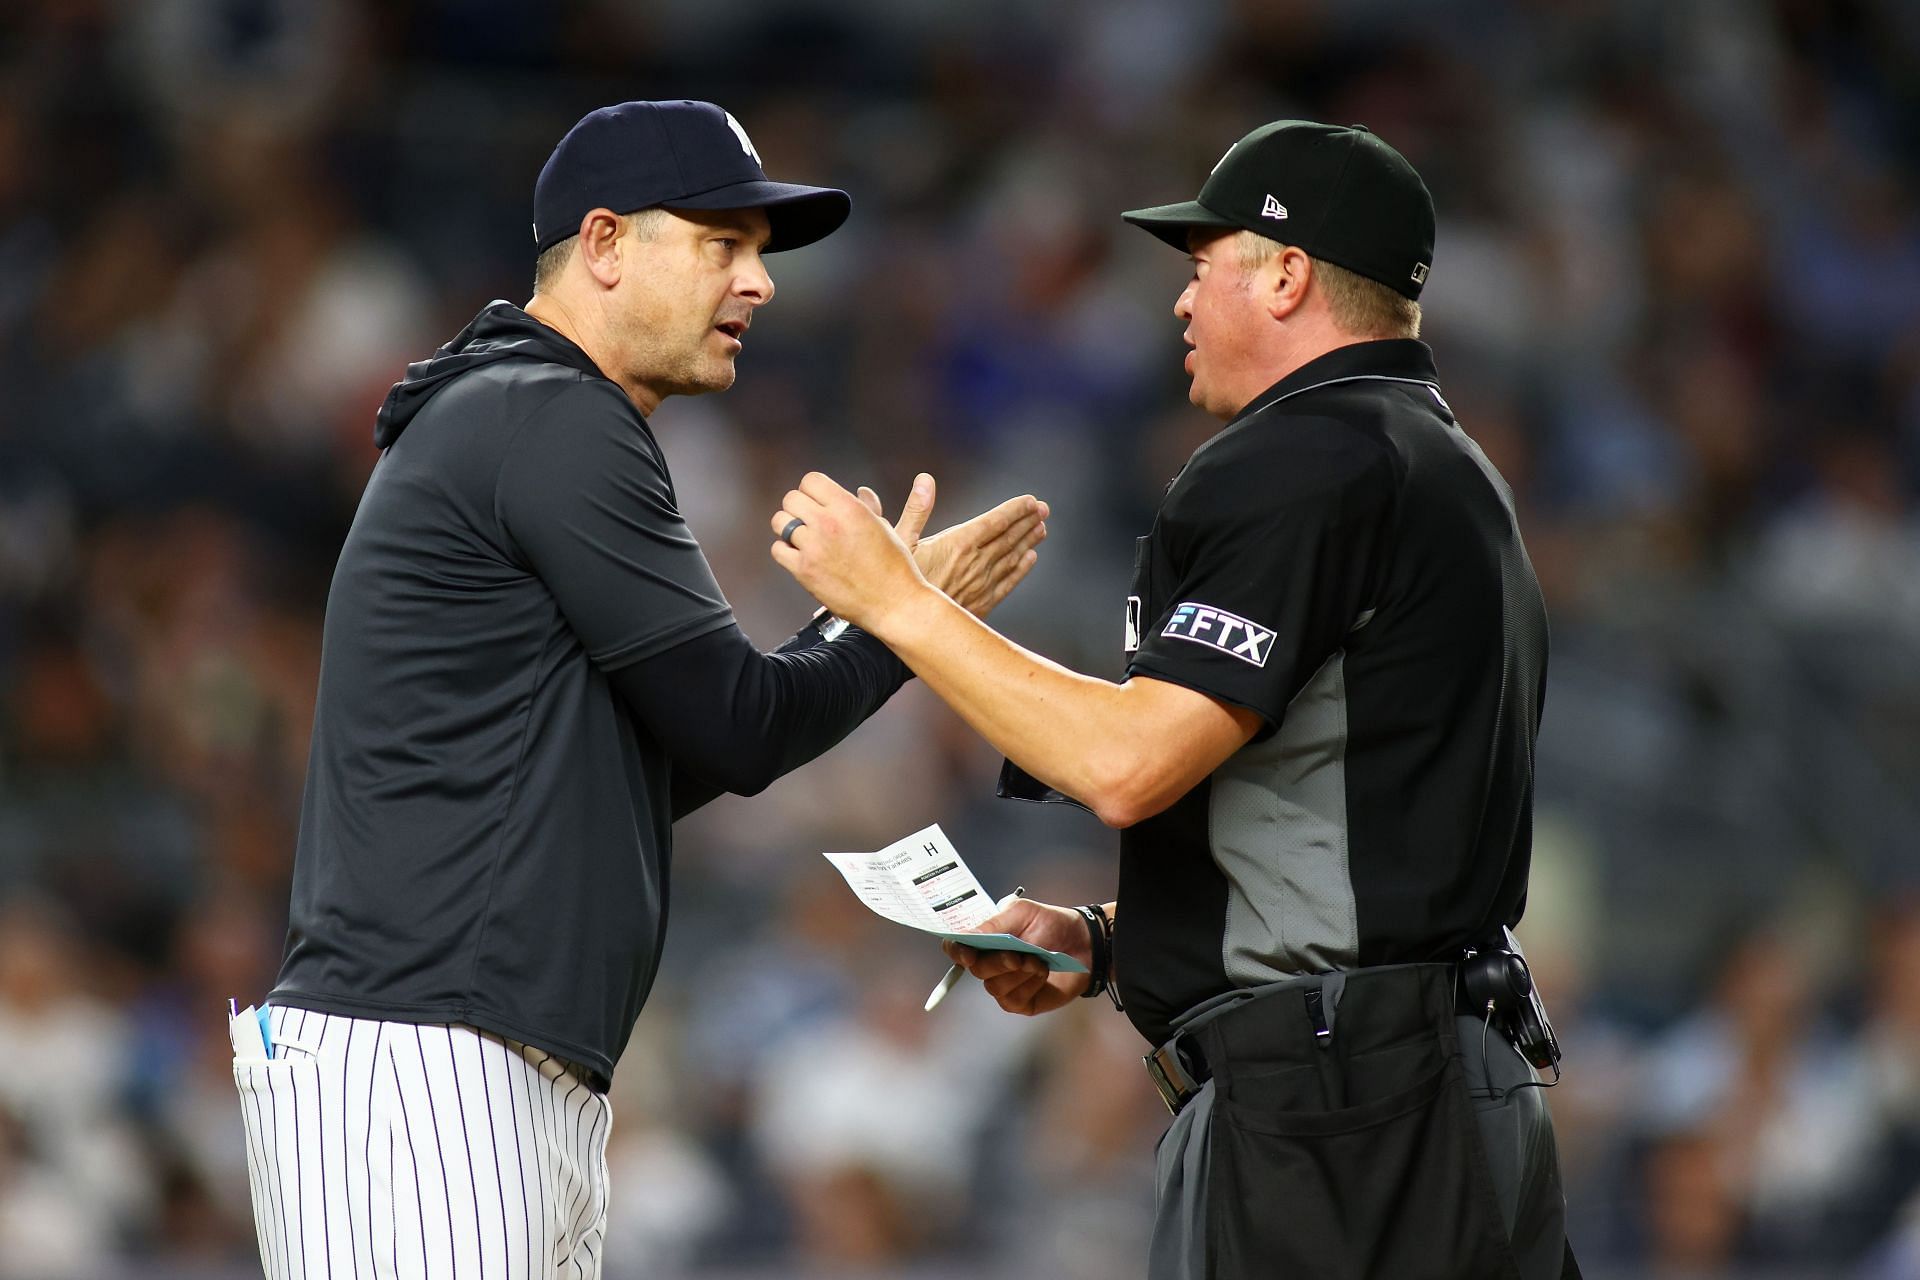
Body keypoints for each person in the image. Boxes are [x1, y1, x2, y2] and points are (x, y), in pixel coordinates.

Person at [230, 99, 1047, 1280]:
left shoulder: (518, 410)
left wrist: (883, 620)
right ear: (605, 243)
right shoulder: (553, 411)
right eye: (723, 243)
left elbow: (660, 761)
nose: (759, 282)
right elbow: (744, 724)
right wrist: (902, 621)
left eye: (760, 252)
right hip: (427, 1059)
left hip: (472, 1066)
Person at [769, 120, 1575, 1279]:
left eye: (1203, 262)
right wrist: (1113, 944)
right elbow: (1336, 805)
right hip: (1426, 1088)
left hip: (1342, 1115)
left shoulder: (1310, 455)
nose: (1182, 301)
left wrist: (897, 603)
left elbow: (1127, 763)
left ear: (1288, 273)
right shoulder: (1441, 463)